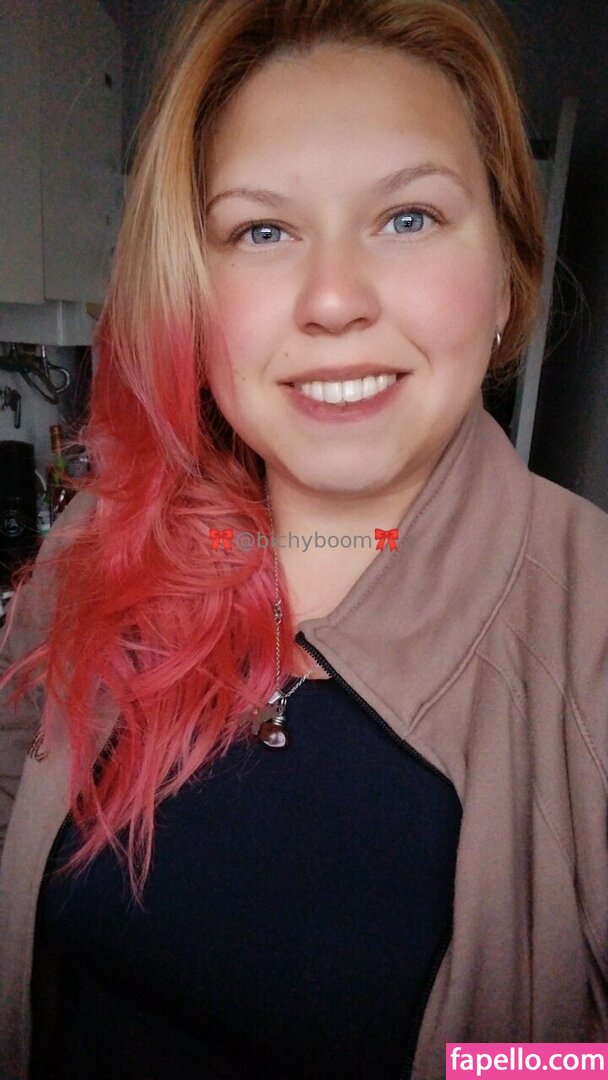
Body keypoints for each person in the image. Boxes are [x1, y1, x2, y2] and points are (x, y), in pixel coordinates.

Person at [1, 0, 608, 1077]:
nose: (332, 300)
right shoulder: (98, 541)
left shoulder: (589, 633)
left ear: (508, 275)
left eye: (407, 217)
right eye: (262, 231)